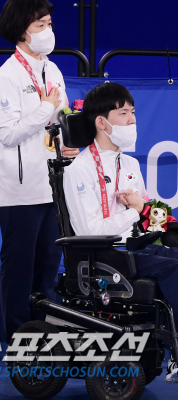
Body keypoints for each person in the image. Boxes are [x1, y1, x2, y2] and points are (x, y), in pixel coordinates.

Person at [63, 82, 178, 383]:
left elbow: (149, 218)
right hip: (105, 255)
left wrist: (148, 212)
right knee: (174, 268)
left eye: (133, 112)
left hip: (137, 246)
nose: (132, 120)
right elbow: (89, 231)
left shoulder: (129, 163)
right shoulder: (79, 170)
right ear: (102, 122)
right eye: (123, 113)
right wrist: (133, 211)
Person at [0, 0, 79, 340]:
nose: (48, 30)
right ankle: (18, 343)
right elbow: (8, 134)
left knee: (47, 272)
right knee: (19, 272)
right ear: (21, 30)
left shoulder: (52, 70)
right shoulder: (5, 78)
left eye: (49, 23)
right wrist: (44, 108)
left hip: (54, 186)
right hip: (20, 192)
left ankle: (45, 339)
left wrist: (69, 141)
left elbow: (61, 118)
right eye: (40, 24)